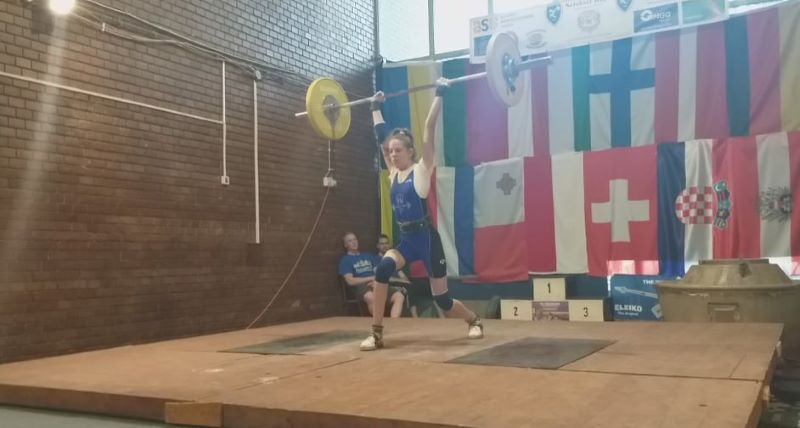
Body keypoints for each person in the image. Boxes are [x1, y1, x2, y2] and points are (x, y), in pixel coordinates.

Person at [360, 80, 484, 351]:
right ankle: (377, 333)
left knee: (443, 301)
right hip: (406, 241)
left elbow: (429, 128)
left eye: (398, 150)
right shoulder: (393, 173)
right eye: (391, 151)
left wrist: (439, 93)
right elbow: (381, 136)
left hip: (427, 241)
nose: (392, 154)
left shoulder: (422, 170)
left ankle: (474, 320)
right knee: (382, 269)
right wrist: (375, 107)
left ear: (410, 151)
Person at [338, 232, 405, 318]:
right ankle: (379, 322)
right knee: (371, 297)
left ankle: (393, 322)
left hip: (376, 283)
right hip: (361, 286)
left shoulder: (368, 256)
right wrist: (371, 278)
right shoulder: (345, 260)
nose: (353, 242)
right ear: (345, 245)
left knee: (399, 296)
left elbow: (379, 270)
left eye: (355, 239)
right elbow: (350, 281)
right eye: (350, 241)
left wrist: (377, 280)